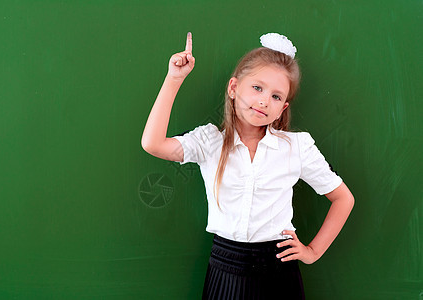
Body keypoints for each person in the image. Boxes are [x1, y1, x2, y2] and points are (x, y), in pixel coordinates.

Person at [141, 32, 354, 300]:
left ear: (283, 108)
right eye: (257, 88)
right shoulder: (210, 141)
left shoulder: (296, 147)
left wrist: (312, 252)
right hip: (225, 268)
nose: (265, 100)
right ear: (234, 88)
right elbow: (153, 143)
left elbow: (343, 198)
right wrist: (174, 79)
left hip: (279, 271)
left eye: (276, 97)